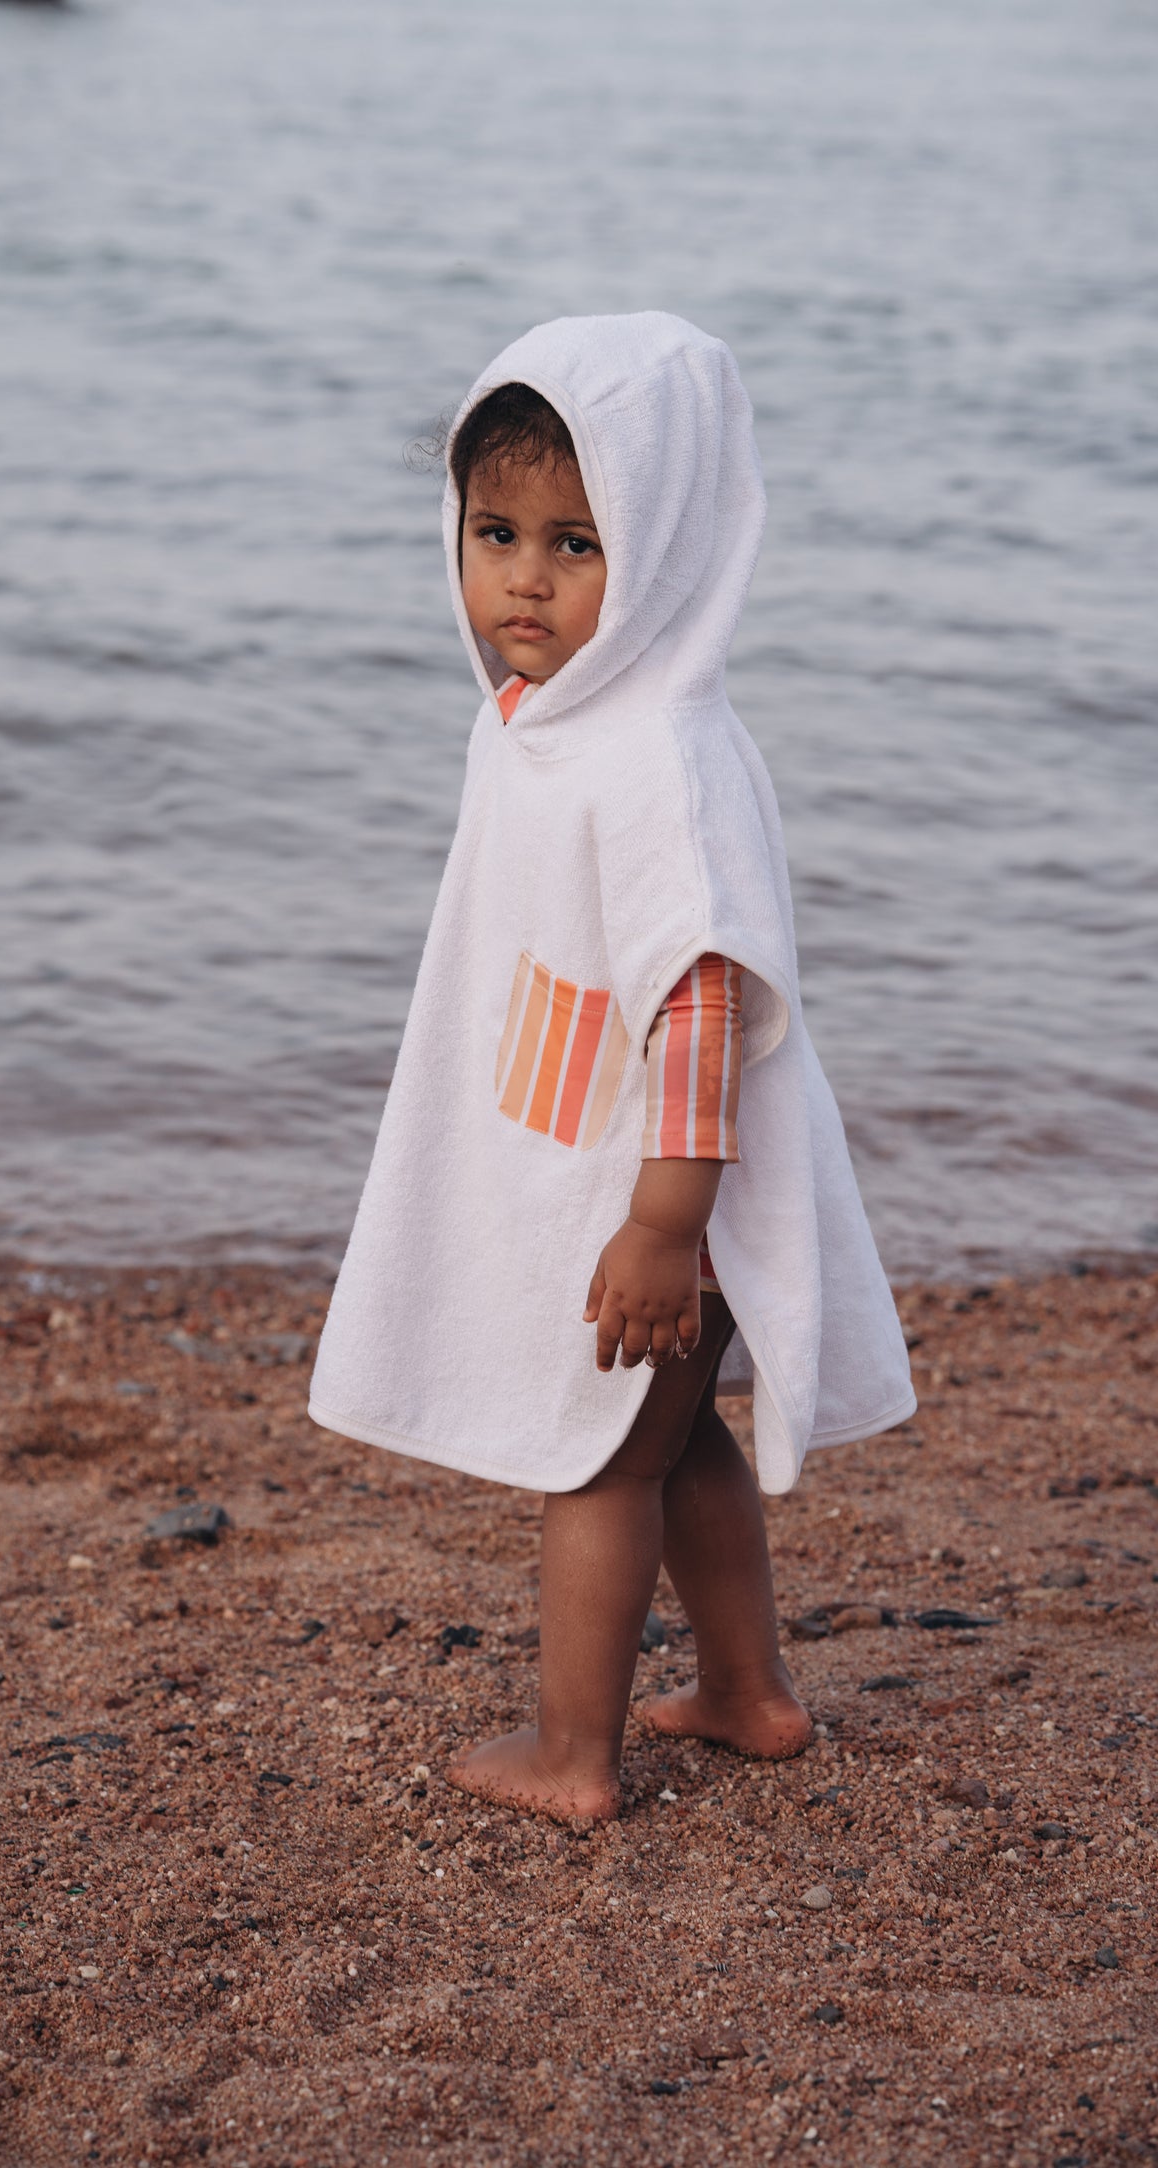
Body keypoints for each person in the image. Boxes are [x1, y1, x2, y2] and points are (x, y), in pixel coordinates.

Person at [308, 313, 916, 1819]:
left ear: (667, 554)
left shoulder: (656, 761)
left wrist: (662, 1223)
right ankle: (745, 1693)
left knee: (598, 1465)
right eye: (494, 529)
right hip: (641, 1184)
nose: (522, 575)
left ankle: (572, 1755)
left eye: (577, 543)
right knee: (674, 1434)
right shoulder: (547, 722)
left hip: (672, 1197)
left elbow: (701, 1003)